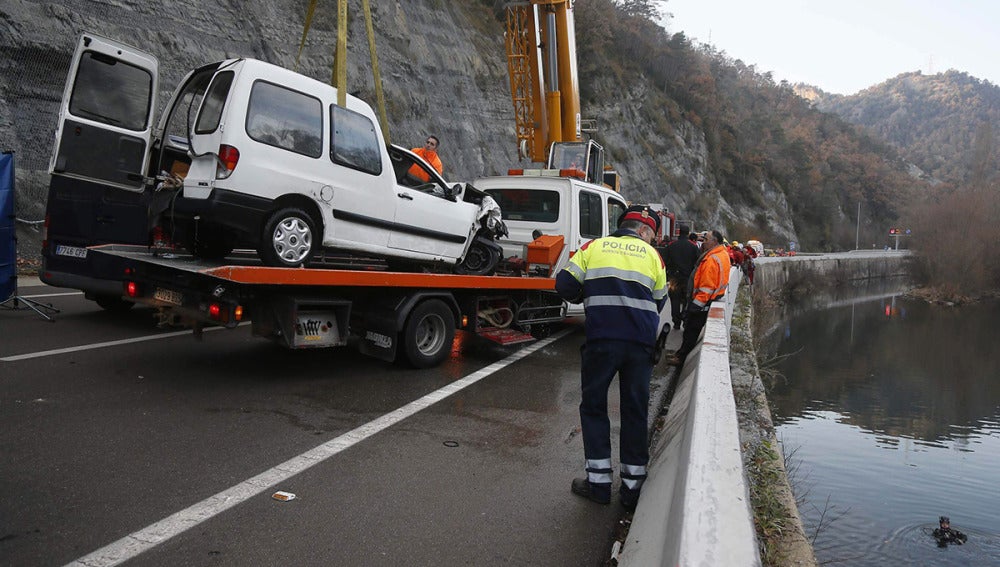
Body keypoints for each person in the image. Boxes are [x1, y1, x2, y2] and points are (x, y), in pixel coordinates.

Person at [555, 205, 668, 510]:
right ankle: (632, 491)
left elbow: (564, 285)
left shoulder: (594, 247)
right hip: (640, 345)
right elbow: (660, 301)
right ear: (645, 231)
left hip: (601, 340)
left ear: (623, 225)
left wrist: (588, 294)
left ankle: (599, 484)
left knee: (594, 408)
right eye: (653, 235)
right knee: (634, 411)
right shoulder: (653, 256)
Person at [666, 229, 731, 367]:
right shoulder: (721, 254)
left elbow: (706, 287)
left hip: (702, 302)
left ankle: (681, 358)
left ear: (714, 242)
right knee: (690, 329)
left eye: (706, 239)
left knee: (690, 331)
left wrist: (695, 306)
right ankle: (680, 354)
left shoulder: (711, 259)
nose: (703, 242)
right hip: (710, 299)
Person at [663, 231, 700, 330]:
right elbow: (698, 262)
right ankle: (684, 318)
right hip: (688, 279)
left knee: (675, 300)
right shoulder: (693, 247)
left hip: (674, 278)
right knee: (686, 300)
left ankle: (676, 322)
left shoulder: (671, 246)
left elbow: (664, 261)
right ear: (688, 234)